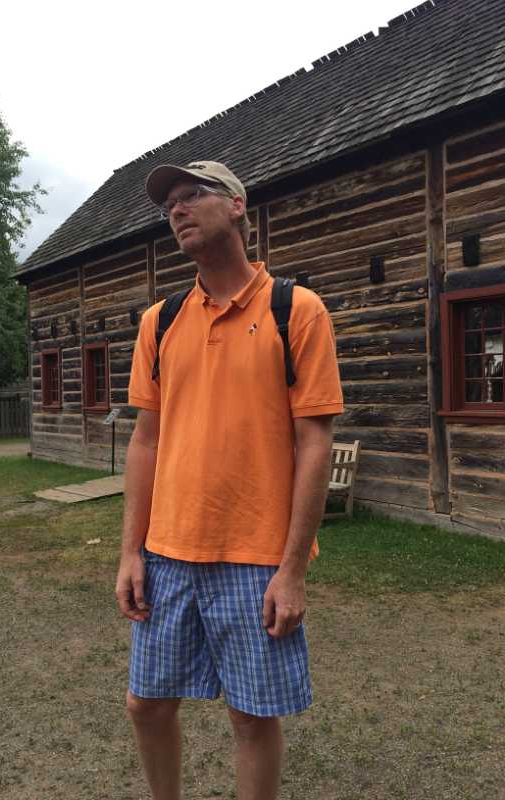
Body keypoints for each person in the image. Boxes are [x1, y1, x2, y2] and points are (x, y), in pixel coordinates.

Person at [115, 161, 343, 800]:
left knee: (251, 717)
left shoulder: (295, 310)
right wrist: (130, 551)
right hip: (167, 553)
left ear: (237, 205)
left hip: (256, 556)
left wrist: (292, 569)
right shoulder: (160, 321)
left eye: (192, 195)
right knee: (145, 704)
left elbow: (315, 442)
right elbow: (145, 441)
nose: (177, 210)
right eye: (170, 204)